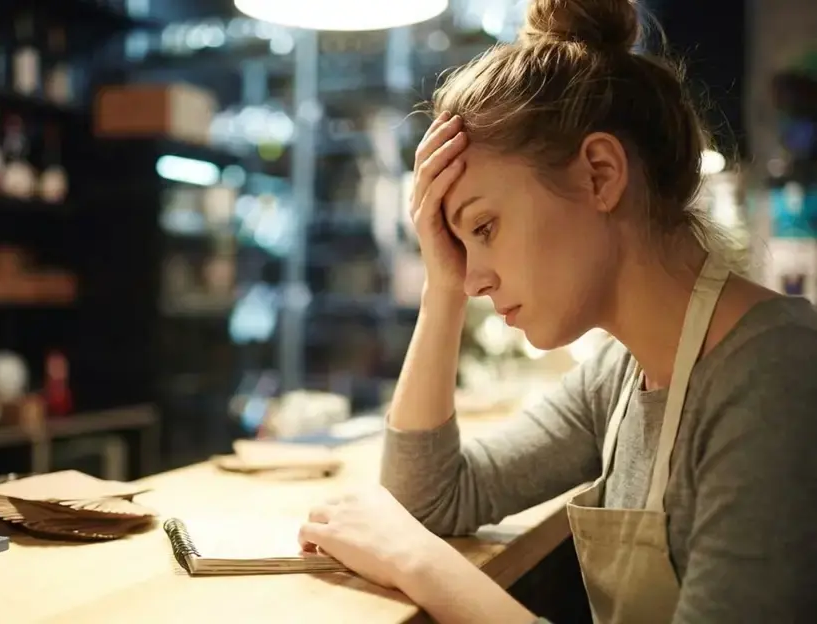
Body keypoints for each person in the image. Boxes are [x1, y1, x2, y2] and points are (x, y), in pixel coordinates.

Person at [296, 0, 817, 622]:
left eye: (484, 227)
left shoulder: (777, 373)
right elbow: (431, 496)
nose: (476, 279)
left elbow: (415, 530)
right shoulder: (623, 376)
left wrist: (420, 563)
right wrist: (442, 287)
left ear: (600, 174)